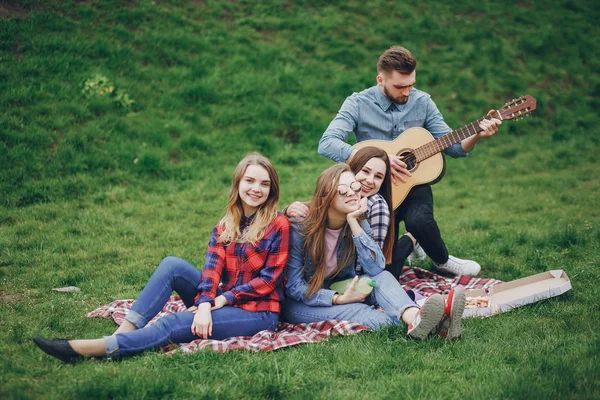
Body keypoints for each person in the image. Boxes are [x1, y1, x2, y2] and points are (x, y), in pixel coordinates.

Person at [33, 153, 290, 363]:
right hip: (220, 301)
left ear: (272, 189)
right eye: (250, 181)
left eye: (264, 184)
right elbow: (212, 270)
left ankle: (93, 349)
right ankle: (123, 333)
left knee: (173, 322)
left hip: (258, 312)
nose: (256, 189)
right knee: (172, 265)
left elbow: (268, 281)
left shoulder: (278, 224)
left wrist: (220, 300)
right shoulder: (225, 225)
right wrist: (204, 305)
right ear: (238, 184)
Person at [318, 46, 502, 276]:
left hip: (412, 183)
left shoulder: (422, 102)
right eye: (400, 86)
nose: (407, 91)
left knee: (420, 220)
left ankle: (442, 260)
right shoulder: (357, 103)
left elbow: (454, 147)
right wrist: (380, 159)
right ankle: (411, 241)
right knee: (388, 271)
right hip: (376, 190)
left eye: (411, 84)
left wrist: (476, 134)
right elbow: (327, 142)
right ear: (380, 80)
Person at [281, 163, 466, 340]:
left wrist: (355, 223)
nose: (352, 193)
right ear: (325, 197)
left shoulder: (356, 221)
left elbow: (376, 268)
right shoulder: (300, 227)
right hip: (300, 303)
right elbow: (295, 287)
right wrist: (339, 299)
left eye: (354, 186)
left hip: (338, 286)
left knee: (382, 278)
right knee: (361, 312)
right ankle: (437, 324)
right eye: (343, 190)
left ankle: (415, 317)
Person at [285, 146, 419, 278]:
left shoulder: (376, 205)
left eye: (378, 177)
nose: (370, 181)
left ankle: (412, 239)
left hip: (369, 268)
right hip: (336, 273)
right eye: (366, 171)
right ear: (353, 169)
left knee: (386, 277)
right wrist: (290, 209)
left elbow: (371, 267)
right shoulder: (340, 194)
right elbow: (318, 206)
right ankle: (412, 238)